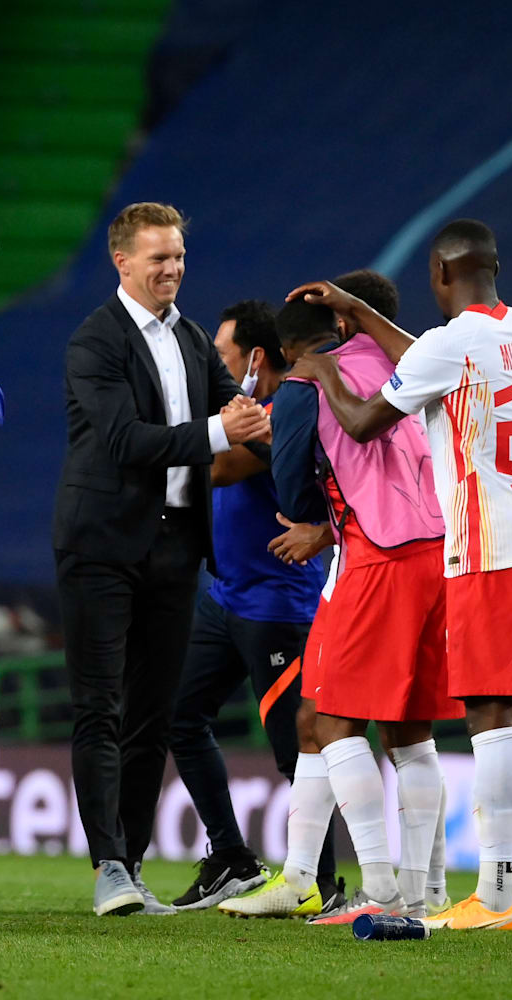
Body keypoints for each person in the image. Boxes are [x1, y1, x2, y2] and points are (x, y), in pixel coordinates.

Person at [288, 220, 512, 931]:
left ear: (438, 273)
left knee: (490, 715)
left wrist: (325, 369)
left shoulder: (447, 344)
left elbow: (367, 420)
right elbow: (432, 358)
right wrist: (366, 314)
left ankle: (494, 896)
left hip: (490, 541)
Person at [54, 201, 270, 917]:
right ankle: (107, 866)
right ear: (123, 262)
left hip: (176, 545)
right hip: (102, 545)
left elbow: (242, 421)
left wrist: (311, 466)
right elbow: (124, 441)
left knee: (152, 712)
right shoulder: (96, 341)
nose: (172, 269)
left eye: (177, 256)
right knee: (100, 706)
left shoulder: (191, 337)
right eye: (158, 258)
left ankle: (133, 863)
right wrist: (217, 428)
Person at [218, 271, 446, 921]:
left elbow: (291, 496)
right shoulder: (383, 354)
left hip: (376, 557)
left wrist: (317, 518)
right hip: (435, 550)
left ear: (286, 351)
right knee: (390, 728)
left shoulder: (298, 387)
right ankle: (372, 883)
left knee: (331, 721)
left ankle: (380, 890)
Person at [162, 299, 330, 911]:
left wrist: (152, 443)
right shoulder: (247, 411)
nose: (214, 368)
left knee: (299, 750)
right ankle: (231, 856)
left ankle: (323, 884)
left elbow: (219, 469)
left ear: (255, 359)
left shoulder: (279, 416)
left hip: (277, 605)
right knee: (181, 715)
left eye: (222, 357)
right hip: (225, 595)